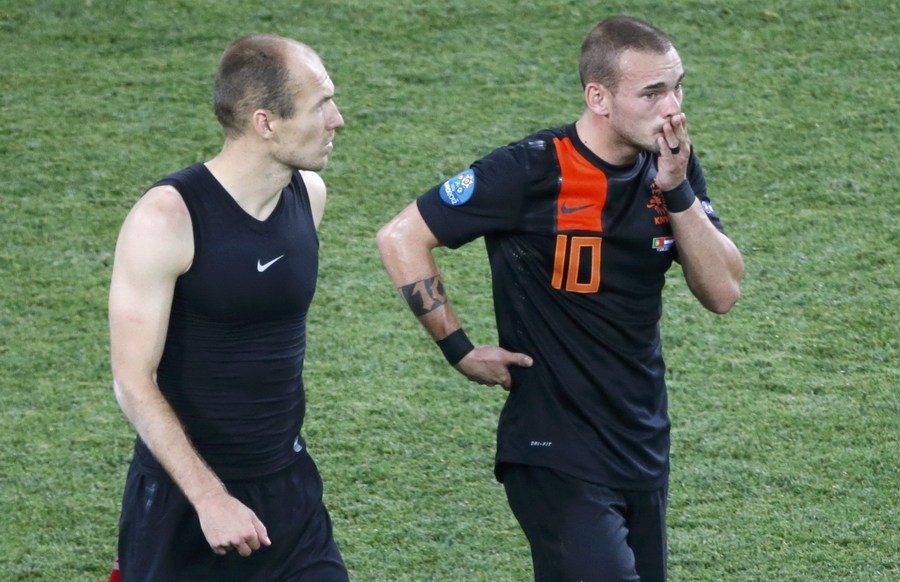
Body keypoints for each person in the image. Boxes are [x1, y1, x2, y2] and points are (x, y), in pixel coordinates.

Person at [376, 15, 744, 582]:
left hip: (641, 441)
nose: (672, 108)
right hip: (554, 446)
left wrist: (677, 187)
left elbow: (722, 291)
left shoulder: (671, 165)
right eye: (652, 93)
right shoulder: (531, 167)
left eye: (677, 87)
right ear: (598, 97)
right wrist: (459, 349)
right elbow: (402, 236)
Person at [108, 34, 347, 581]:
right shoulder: (167, 218)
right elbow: (132, 380)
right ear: (267, 123)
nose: (337, 120)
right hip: (183, 503)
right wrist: (210, 498)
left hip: (289, 491)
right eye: (321, 104)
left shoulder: (308, 195)